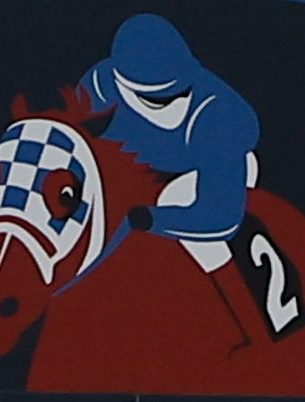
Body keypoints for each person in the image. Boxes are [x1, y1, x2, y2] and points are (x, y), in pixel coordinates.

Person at [73, 15, 261, 245]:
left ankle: (224, 278)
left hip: (192, 176)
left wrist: (151, 219)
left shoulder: (219, 117)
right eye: (157, 99)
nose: (177, 99)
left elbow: (221, 216)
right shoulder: (98, 88)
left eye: (180, 91)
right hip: (127, 173)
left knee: (181, 207)